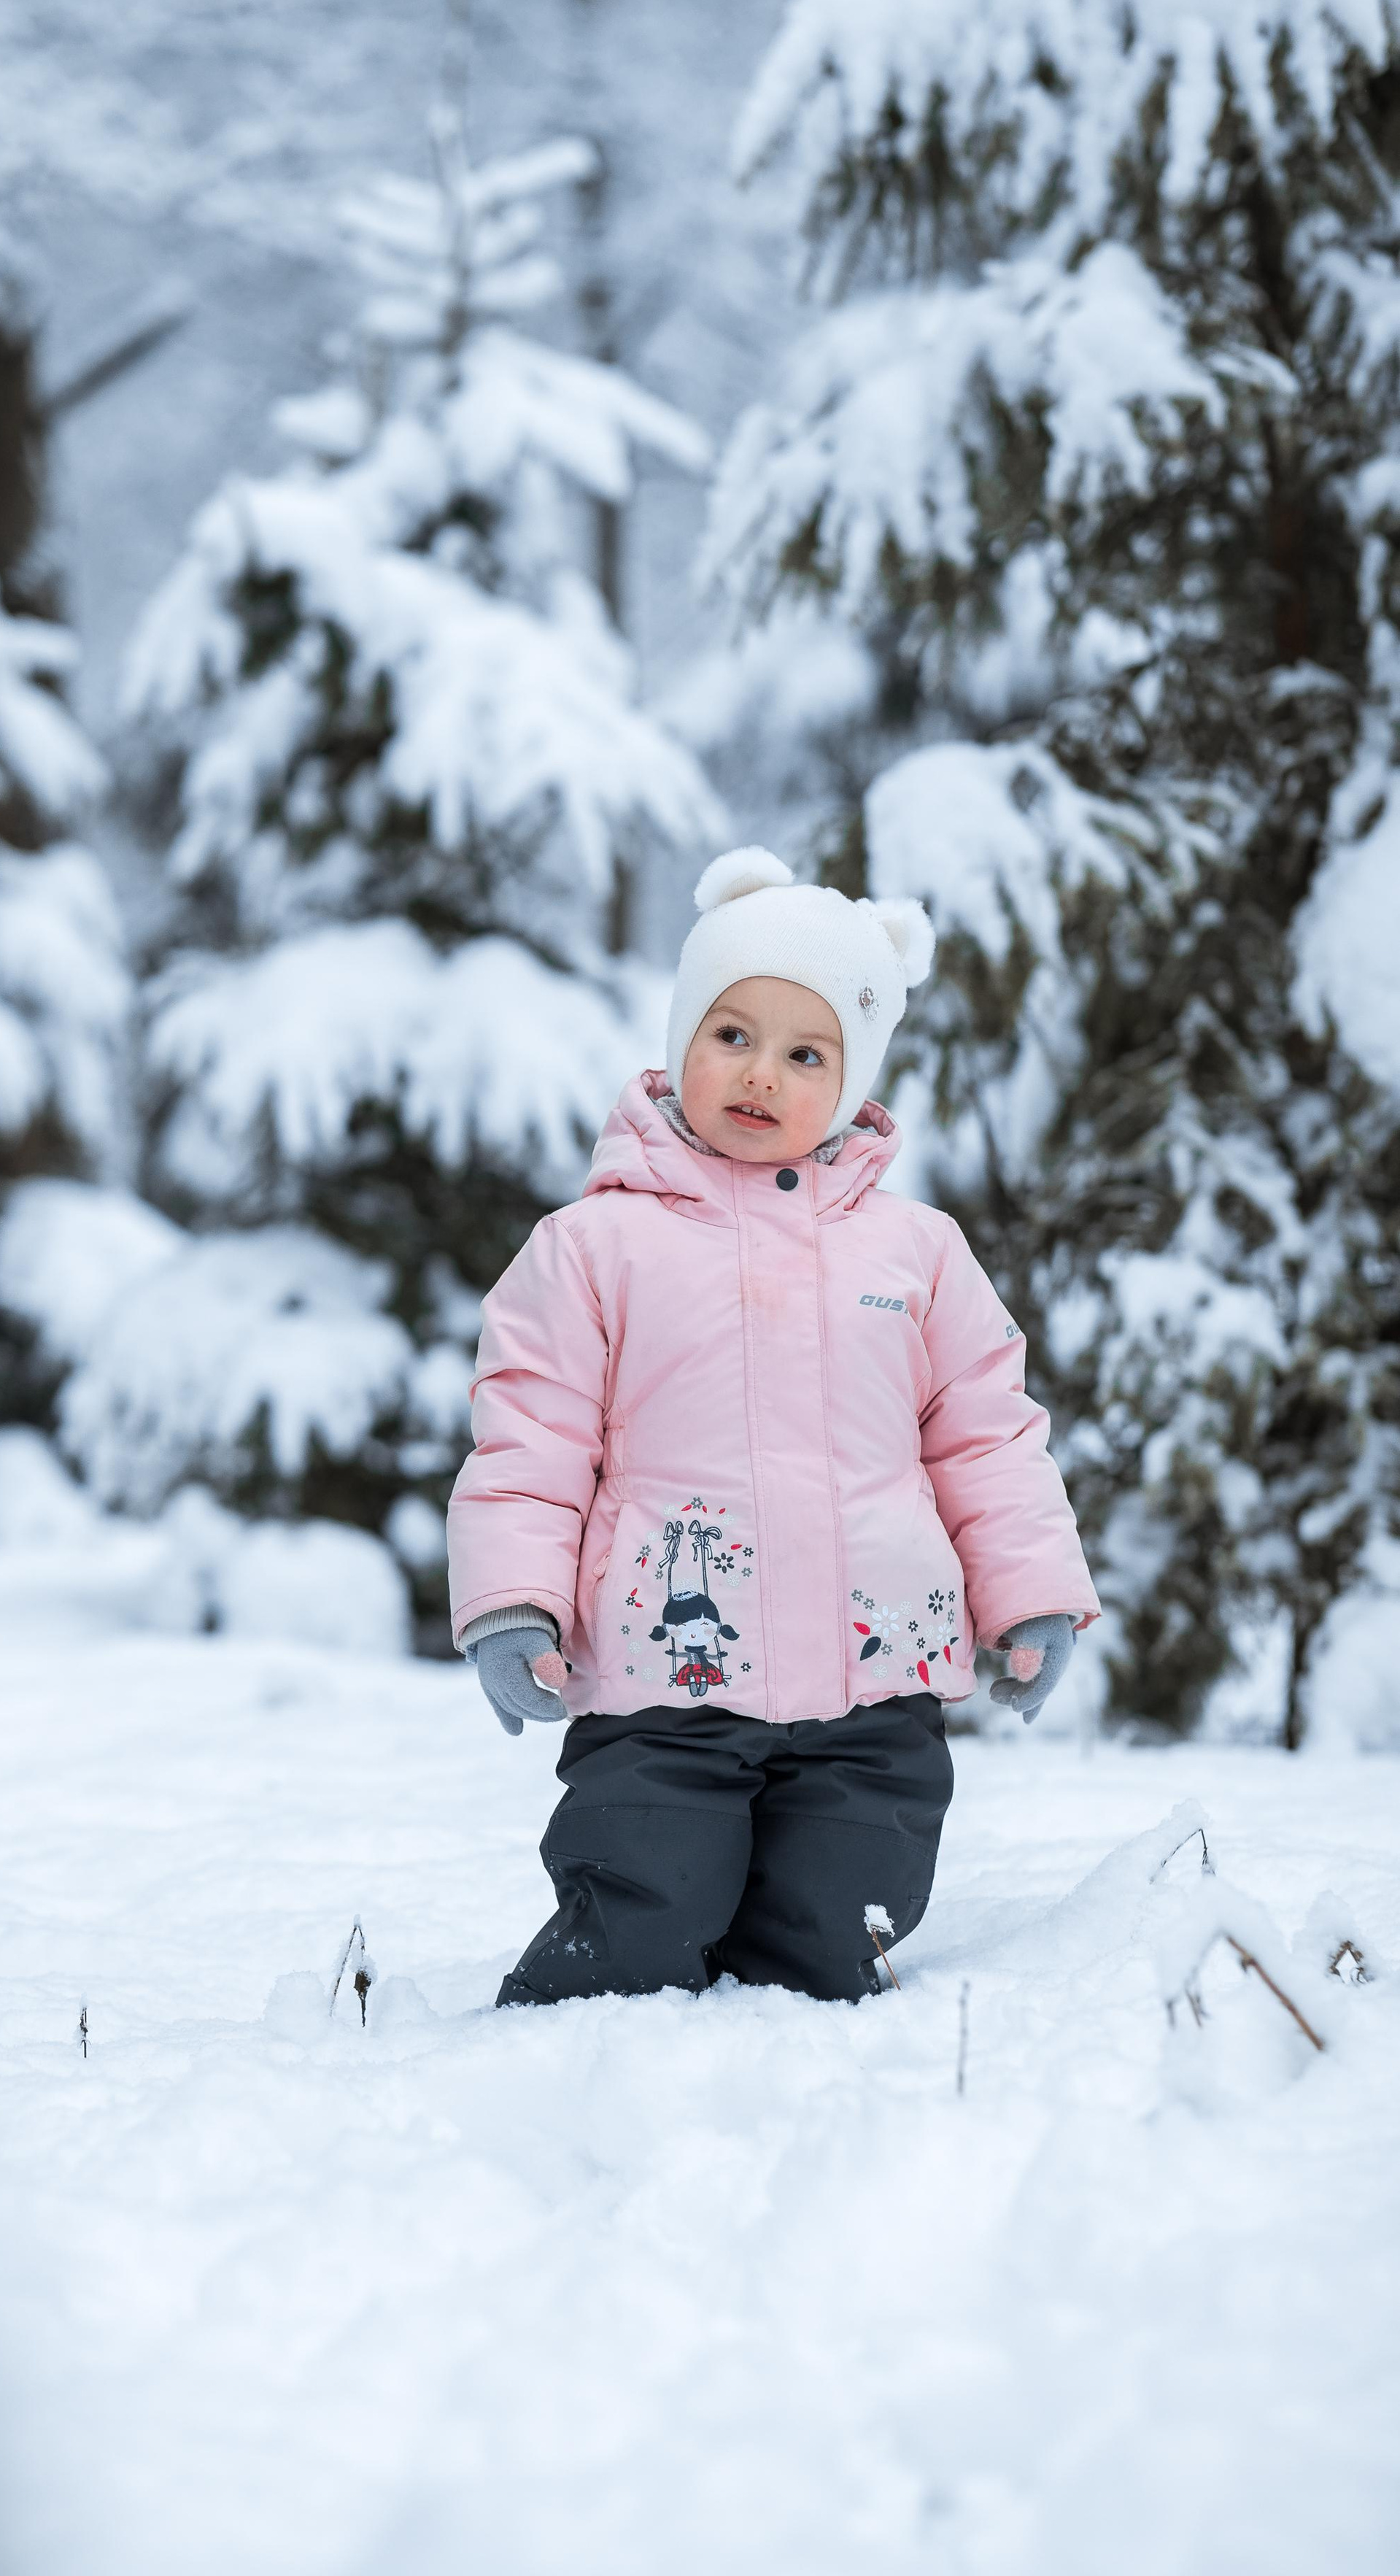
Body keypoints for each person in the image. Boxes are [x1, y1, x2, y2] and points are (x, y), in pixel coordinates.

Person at [446, 847, 1097, 2008]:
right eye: (731, 1033)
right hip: (665, 1680)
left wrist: (1030, 1588)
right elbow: (532, 1442)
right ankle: (568, 2075)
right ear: (681, 1038)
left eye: (807, 1055)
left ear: (851, 1084)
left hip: (876, 1678)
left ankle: (798, 2109)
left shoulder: (919, 1253)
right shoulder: (596, 1247)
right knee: (642, 1919)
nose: (762, 1075)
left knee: (837, 1938)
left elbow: (987, 1435)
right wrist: (511, 1601)